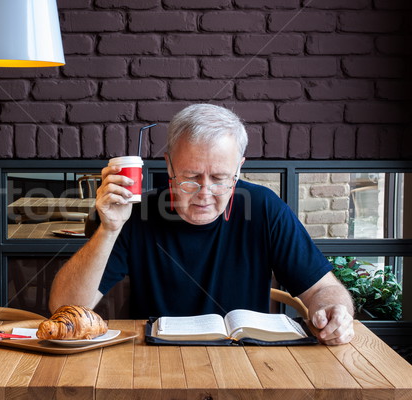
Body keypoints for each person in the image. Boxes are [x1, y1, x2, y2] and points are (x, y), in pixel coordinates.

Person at [49, 104, 354, 345]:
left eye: (221, 178)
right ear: (169, 165)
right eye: (191, 177)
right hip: (152, 365)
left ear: (239, 168)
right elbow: (63, 306)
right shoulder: (136, 213)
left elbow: (324, 289)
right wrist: (109, 229)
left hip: (247, 363)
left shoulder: (265, 208)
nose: (205, 193)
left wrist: (334, 312)